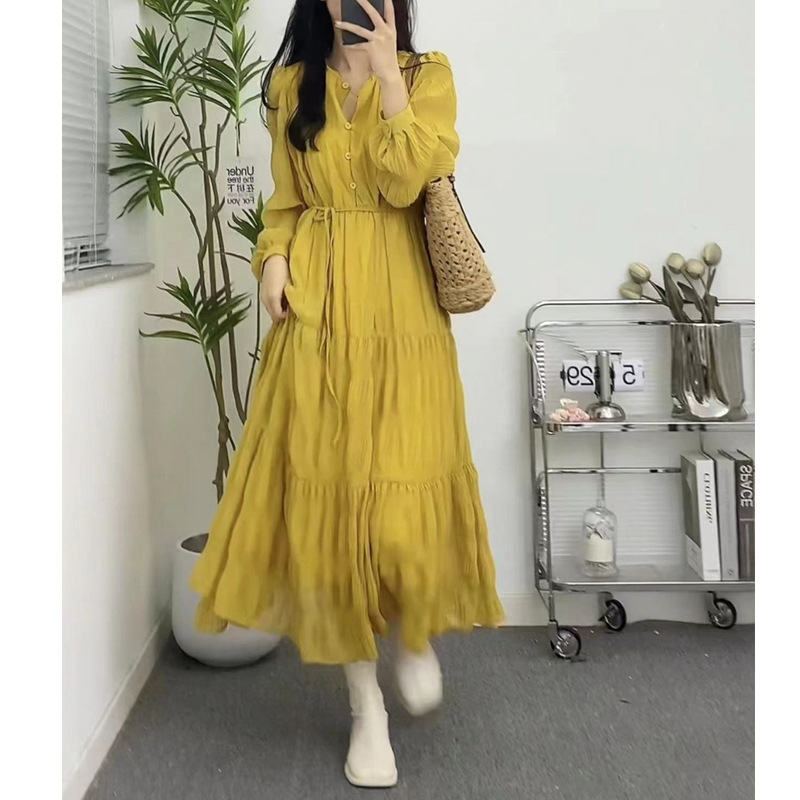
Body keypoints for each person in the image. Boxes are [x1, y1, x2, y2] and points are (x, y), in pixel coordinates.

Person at [191, 0, 503, 787]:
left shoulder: (429, 77)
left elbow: (408, 183)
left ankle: (414, 633)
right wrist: (272, 260)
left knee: (403, 502)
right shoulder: (293, 85)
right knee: (331, 512)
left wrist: (389, 77)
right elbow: (285, 204)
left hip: (405, 317)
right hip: (319, 316)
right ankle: (366, 709)